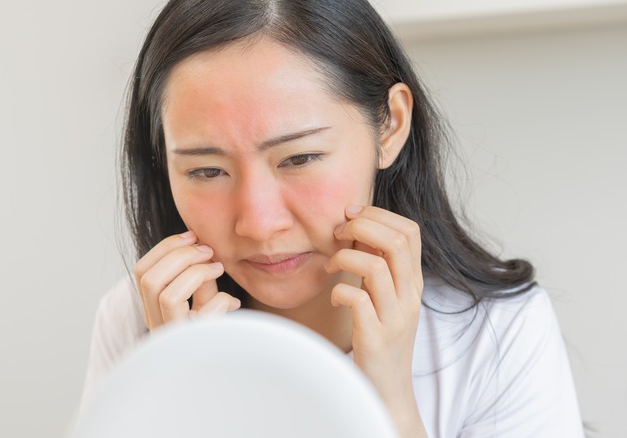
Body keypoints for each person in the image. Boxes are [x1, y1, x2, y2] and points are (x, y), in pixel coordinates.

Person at [79, 0, 584, 436]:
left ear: (390, 126)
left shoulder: (496, 331)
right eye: (207, 170)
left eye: (299, 159)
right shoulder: (141, 322)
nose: (258, 222)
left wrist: (391, 402)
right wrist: (186, 396)